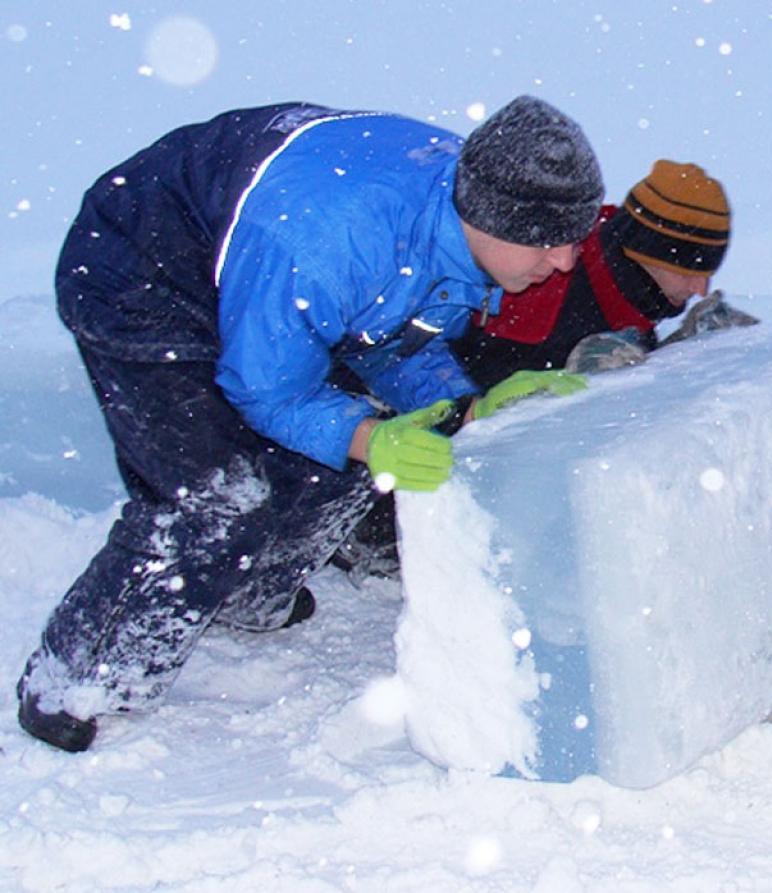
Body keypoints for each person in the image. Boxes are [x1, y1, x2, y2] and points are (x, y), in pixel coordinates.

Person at [17, 95, 603, 753]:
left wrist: (460, 405)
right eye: (550, 241)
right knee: (215, 496)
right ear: (495, 219)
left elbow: (388, 336)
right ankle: (75, 679)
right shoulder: (331, 239)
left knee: (356, 444)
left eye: (574, 239)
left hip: (267, 276)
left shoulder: (460, 222)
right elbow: (266, 389)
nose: (566, 262)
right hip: (143, 275)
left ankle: (251, 590)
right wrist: (369, 437)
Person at [333, 160, 757, 582]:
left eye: (708, 272)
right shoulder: (547, 292)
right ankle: (364, 527)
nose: (699, 287)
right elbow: (470, 402)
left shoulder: (622, 280)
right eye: (690, 269)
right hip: (389, 417)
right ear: (647, 252)